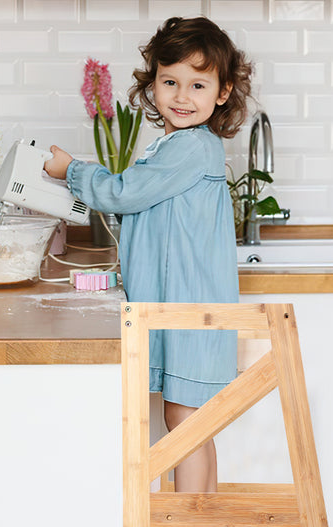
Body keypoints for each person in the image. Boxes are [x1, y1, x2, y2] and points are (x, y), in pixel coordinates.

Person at [45, 16, 253, 492]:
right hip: (182, 309)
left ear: (222, 93)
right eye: (170, 82)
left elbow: (123, 193)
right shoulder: (181, 144)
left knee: (185, 422)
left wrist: (70, 169)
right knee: (186, 422)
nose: (182, 96)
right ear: (153, 84)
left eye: (198, 84)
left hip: (190, 311)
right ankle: (191, 523)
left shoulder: (191, 149)